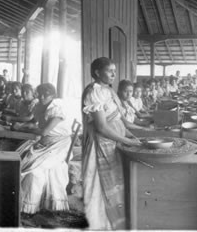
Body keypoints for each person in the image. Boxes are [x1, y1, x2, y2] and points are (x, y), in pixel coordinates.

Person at [81, 57, 141, 229]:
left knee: (114, 184)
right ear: (97, 72)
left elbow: (122, 122)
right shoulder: (94, 92)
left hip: (114, 142)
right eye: (109, 70)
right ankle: (100, 225)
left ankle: (115, 223)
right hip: (100, 144)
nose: (114, 73)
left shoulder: (109, 91)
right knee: (99, 189)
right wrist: (126, 140)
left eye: (115, 70)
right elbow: (101, 127)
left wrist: (133, 138)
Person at [13, 83, 72, 214]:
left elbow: (44, 131)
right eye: (40, 93)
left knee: (33, 167)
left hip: (59, 144)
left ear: (53, 95)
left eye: (46, 94)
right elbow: (34, 122)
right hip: (45, 142)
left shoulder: (57, 108)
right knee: (21, 157)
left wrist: (21, 127)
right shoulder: (40, 105)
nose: (43, 96)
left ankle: (29, 207)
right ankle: (23, 203)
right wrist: (24, 125)